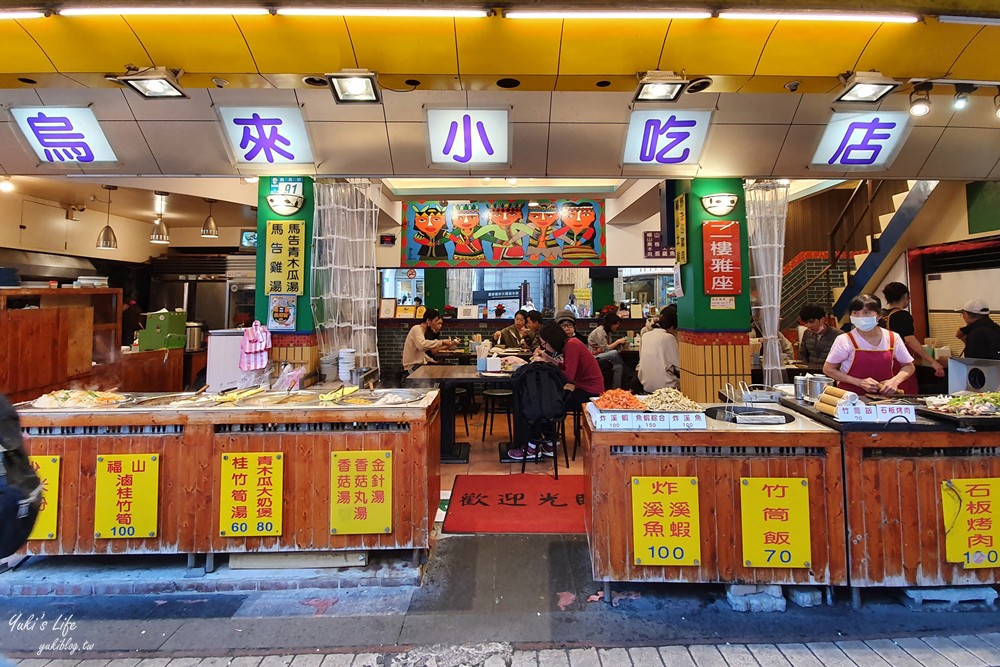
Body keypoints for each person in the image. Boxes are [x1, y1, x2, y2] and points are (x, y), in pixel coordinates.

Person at [823, 294, 915, 396]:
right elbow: (828, 369)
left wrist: (895, 381)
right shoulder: (844, 340)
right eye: (855, 313)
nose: (860, 317)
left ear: (879, 315)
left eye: (866, 313)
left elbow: (908, 366)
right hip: (850, 399)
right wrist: (859, 382)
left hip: (883, 399)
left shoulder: (893, 338)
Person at [879, 282, 944, 389]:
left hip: (884, 361)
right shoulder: (902, 315)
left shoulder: (881, 315)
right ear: (905, 296)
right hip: (900, 363)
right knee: (905, 391)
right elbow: (910, 340)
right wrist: (932, 361)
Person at [401, 308, 457, 373]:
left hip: (420, 365)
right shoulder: (416, 328)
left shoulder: (422, 331)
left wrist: (432, 361)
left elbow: (421, 353)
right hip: (413, 368)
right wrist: (441, 342)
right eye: (436, 321)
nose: (437, 324)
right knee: (449, 369)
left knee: (451, 368)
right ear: (428, 321)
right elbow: (422, 345)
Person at [637, 310, 680, 392]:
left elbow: (641, 359)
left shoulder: (645, 336)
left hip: (646, 385)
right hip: (666, 386)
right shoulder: (669, 338)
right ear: (672, 327)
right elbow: (679, 366)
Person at [588, 313, 628, 389]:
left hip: (601, 356)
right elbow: (605, 349)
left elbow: (607, 348)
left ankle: (616, 390)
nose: (617, 326)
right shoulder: (600, 331)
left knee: (619, 367)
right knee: (614, 353)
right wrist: (618, 342)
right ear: (610, 323)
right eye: (616, 324)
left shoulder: (607, 332)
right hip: (594, 357)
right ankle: (627, 368)